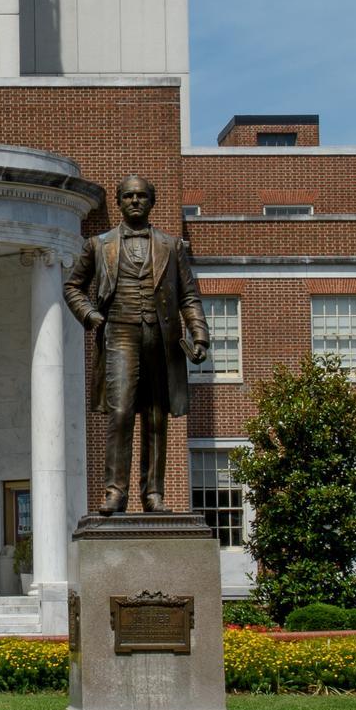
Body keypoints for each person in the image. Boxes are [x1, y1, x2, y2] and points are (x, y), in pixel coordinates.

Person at [63, 175, 209, 512]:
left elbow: (189, 297)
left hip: (162, 338)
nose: (135, 201)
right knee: (121, 411)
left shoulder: (172, 246)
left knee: (156, 417)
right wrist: (90, 315)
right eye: (128, 195)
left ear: (152, 201)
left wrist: (199, 334)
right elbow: (73, 287)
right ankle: (116, 491)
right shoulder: (98, 245)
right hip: (120, 334)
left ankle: (153, 493)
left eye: (142, 195)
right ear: (118, 201)